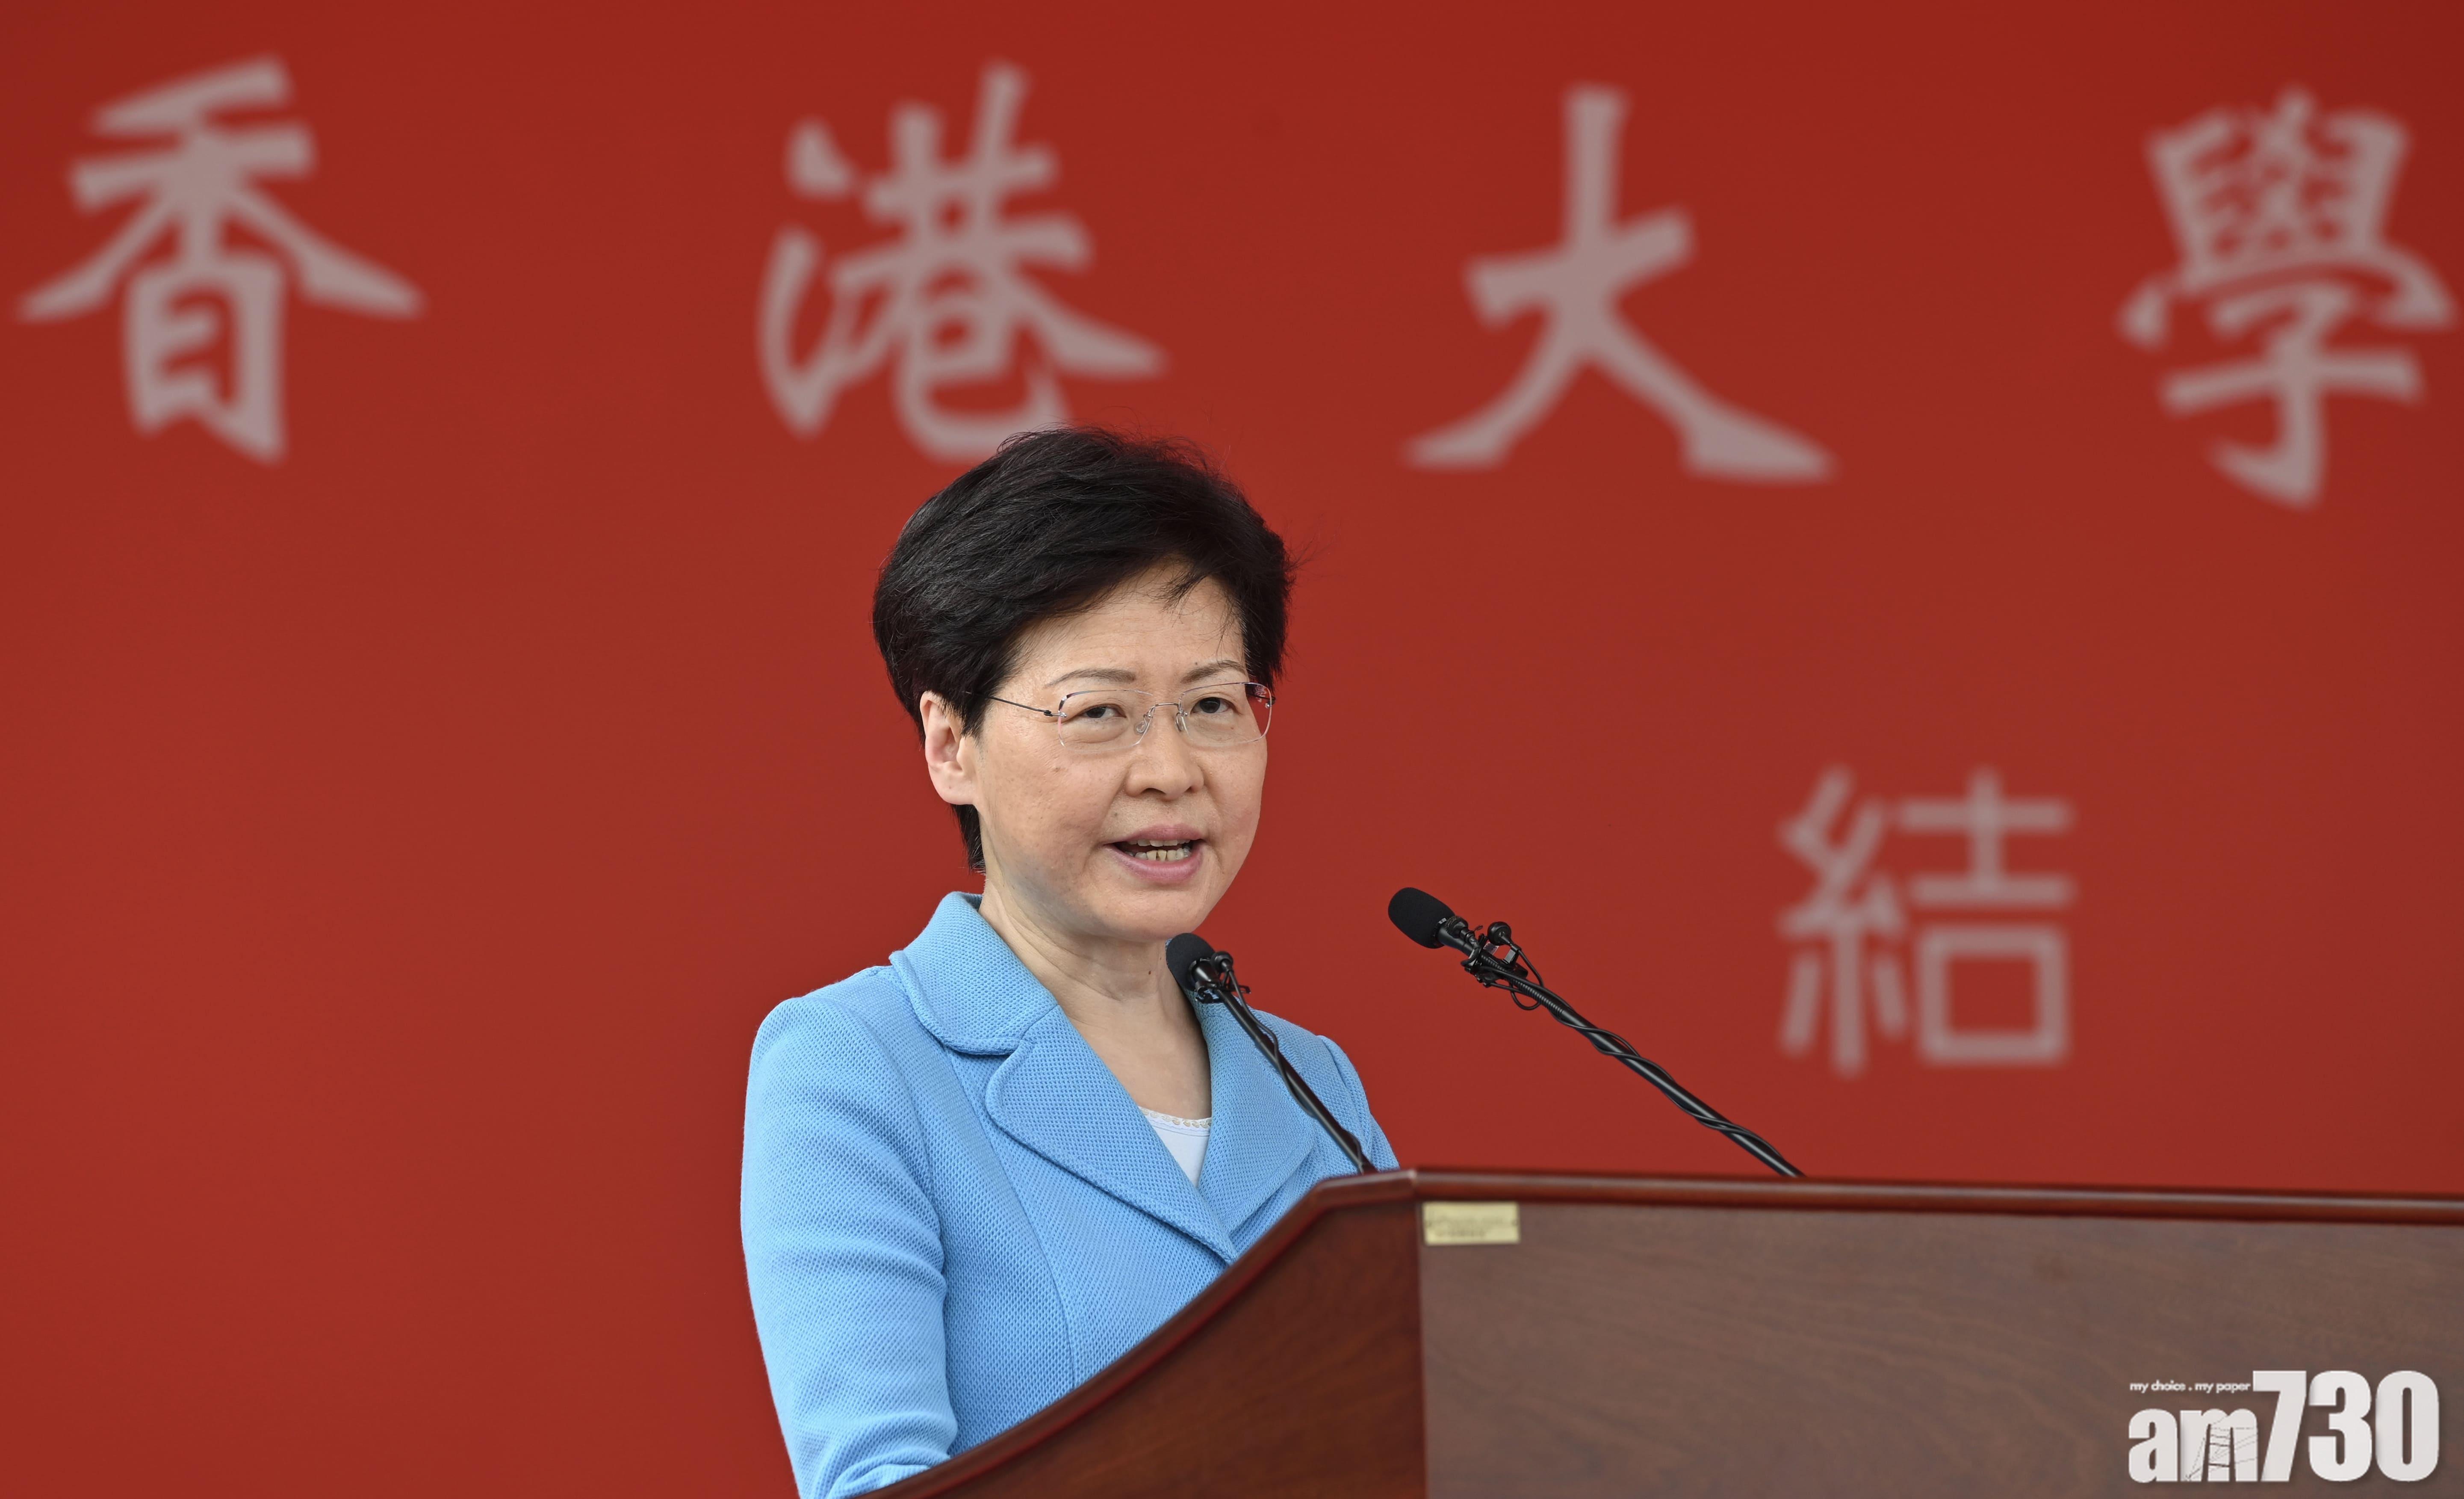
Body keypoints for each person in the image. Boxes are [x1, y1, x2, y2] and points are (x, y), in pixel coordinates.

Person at [740, 429, 1396, 1498]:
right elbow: (877, 1480)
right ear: (950, 744)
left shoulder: (1313, 1084)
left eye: (1212, 704)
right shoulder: (857, 1064)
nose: (1170, 769)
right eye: (1099, 713)